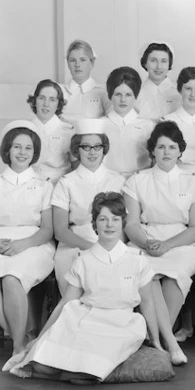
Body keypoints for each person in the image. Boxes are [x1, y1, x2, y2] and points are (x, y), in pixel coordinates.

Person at [7, 192, 183, 382]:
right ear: (95, 224)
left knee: (87, 369)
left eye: (115, 219)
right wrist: (40, 337)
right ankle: (62, 371)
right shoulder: (84, 260)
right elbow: (65, 303)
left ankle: (75, 373)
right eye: (103, 219)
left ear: (123, 223)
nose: (109, 225)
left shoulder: (137, 259)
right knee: (43, 363)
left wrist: (155, 341)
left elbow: (148, 303)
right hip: (86, 318)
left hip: (121, 323)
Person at [0, 120, 55, 367]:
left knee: (11, 278)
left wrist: (24, 244)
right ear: (7, 150)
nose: (22, 152)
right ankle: (21, 339)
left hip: (34, 243)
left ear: (34, 152)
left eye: (28, 148)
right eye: (17, 147)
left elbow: (48, 229)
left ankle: (17, 345)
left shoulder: (44, 185)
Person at [123, 121, 195, 355]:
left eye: (171, 147)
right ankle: (169, 342)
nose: (166, 152)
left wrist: (167, 245)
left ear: (180, 151)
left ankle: (154, 338)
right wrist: (147, 243)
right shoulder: (137, 181)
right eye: (161, 147)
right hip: (145, 240)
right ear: (152, 150)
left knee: (174, 275)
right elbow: (132, 223)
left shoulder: (192, 181)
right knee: (149, 276)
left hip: (182, 243)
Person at [52, 119, 125, 296]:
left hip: (111, 242)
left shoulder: (118, 180)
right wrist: (91, 248)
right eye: (86, 147)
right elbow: (61, 231)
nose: (92, 152)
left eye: (97, 146)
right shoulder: (66, 182)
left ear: (104, 148)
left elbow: (123, 223)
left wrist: (108, 247)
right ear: (77, 149)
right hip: (73, 244)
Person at [101, 66, 155, 178]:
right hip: (107, 183)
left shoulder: (148, 127)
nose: (123, 100)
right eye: (118, 94)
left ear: (136, 95)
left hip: (140, 181)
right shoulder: (100, 125)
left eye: (128, 95)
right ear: (110, 95)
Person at [28, 79, 74, 185]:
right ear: (34, 101)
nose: (46, 104)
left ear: (58, 104)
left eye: (52, 99)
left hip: (60, 186)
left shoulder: (68, 131)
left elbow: (75, 165)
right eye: (41, 98)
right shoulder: (26, 130)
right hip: (31, 186)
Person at [60, 39, 111, 122]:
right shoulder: (59, 91)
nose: (77, 65)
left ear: (92, 63)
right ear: (68, 64)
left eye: (83, 60)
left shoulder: (104, 92)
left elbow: (111, 122)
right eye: (72, 60)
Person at [135, 41, 181, 121]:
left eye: (163, 61)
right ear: (145, 63)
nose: (159, 67)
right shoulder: (134, 94)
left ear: (169, 64)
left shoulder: (180, 92)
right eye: (153, 60)